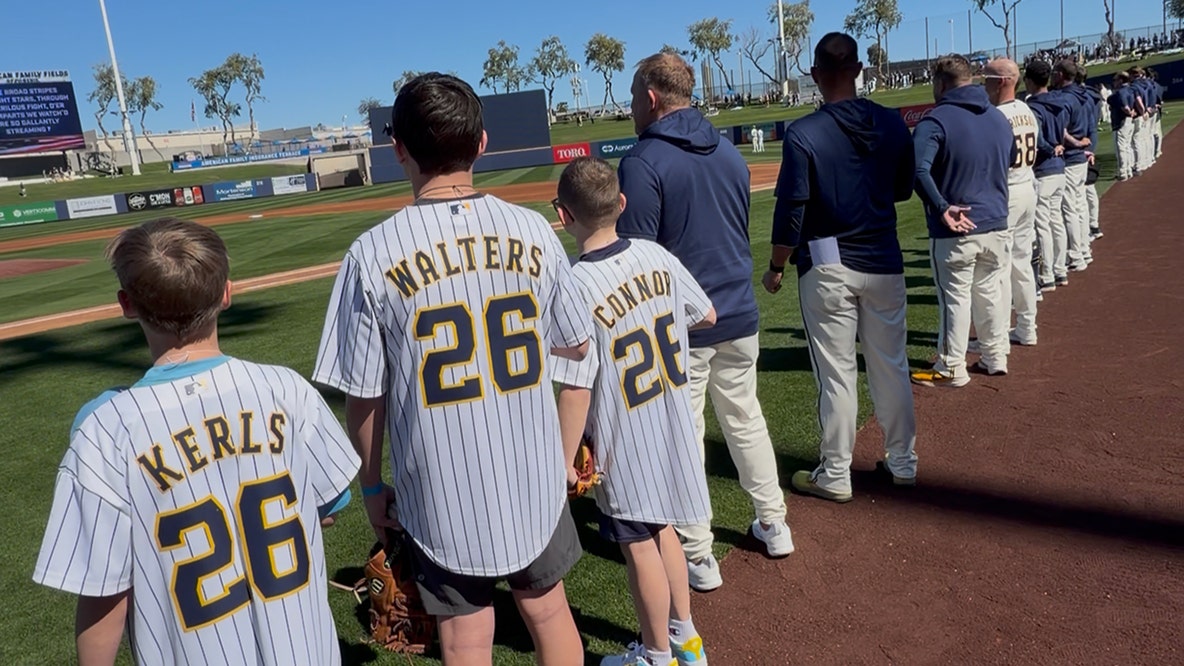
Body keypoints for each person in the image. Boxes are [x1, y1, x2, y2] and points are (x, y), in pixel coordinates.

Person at [312, 73, 590, 665]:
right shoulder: (535, 231)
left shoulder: (372, 253)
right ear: (482, 143)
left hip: (438, 491)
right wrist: (565, 448)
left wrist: (369, 485)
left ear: (399, 151)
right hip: (534, 476)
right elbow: (577, 349)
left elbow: (365, 398)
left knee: (465, 637)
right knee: (548, 610)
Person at [33, 218, 359, 665]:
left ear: (127, 305)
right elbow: (329, 505)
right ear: (227, 292)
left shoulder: (104, 429)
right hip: (306, 650)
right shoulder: (287, 390)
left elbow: (103, 592)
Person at [616, 52, 791, 592]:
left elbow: (637, 256)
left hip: (681, 324)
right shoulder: (729, 154)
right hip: (738, 310)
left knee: (685, 438)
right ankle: (774, 522)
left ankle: (697, 553)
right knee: (745, 419)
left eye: (632, 98)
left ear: (650, 98)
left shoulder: (643, 161)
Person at [552, 156, 715, 666]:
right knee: (661, 527)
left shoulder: (573, 282)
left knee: (637, 541)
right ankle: (686, 640)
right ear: (621, 204)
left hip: (624, 433)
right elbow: (706, 313)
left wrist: (561, 461)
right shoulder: (654, 254)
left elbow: (576, 384)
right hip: (669, 416)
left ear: (564, 216)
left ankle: (656, 655)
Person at [761, 32, 918, 502]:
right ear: (858, 70)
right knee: (891, 365)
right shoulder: (891, 122)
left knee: (837, 373)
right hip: (883, 258)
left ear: (814, 74)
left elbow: (791, 211)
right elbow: (903, 188)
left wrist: (775, 267)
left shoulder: (805, 133)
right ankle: (904, 461)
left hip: (828, 264)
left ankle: (836, 471)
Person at [910, 55, 1015, 386]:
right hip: (996, 221)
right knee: (990, 293)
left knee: (954, 297)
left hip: (955, 226)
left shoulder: (935, 120)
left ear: (940, 84)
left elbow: (917, 169)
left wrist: (941, 205)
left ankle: (951, 364)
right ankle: (995, 355)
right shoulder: (998, 118)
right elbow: (1011, 159)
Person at [984, 58, 1040, 347]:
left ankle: (998, 334)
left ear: (1003, 81)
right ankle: (1027, 328)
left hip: (1007, 192)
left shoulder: (998, 115)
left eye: (989, 79)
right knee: (1021, 263)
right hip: (1027, 186)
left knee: (1000, 268)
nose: (985, 84)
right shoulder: (1027, 110)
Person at [1023, 61, 1070, 294]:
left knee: (1042, 226)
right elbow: (1062, 131)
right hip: (1060, 168)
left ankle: (1046, 274)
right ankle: (1060, 270)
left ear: (1030, 80)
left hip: (1043, 169)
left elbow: (1037, 139)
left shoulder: (1032, 106)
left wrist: (1050, 148)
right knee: (1056, 221)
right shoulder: (1060, 100)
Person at [1052, 59, 1093, 275]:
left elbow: (1061, 129)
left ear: (1060, 75)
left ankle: (1076, 255)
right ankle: (1084, 249)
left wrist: (1074, 142)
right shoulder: (1083, 95)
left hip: (1070, 158)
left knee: (1069, 209)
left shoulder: (1065, 98)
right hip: (1080, 158)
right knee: (1079, 206)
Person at [1108, 72, 1138, 181]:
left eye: (1115, 80)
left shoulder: (1121, 92)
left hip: (1121, 121)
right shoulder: (1131, 90)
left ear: (1121, 80)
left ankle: (1122, 172)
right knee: (1127, 146)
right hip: (1129, 121)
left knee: (1121, 147)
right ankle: (1129, 169)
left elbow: (1125, 107)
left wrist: (1129, 112)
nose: (1114, 82)